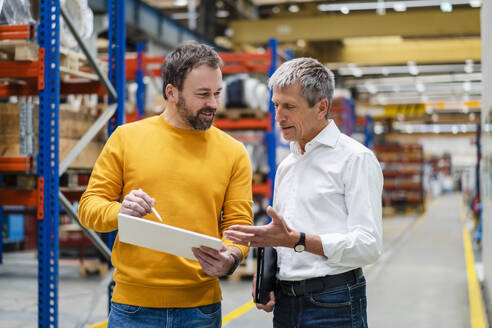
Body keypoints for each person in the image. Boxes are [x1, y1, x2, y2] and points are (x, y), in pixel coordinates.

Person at [78, 42, 254, 328]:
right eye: (202, 94)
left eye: (217, 93)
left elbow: (239, 223)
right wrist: (120, 211)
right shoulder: (127, 139)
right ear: (171, 93)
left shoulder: (233, 152)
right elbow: (89, 207)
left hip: (201, 309)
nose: (213, 103)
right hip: (133, 308)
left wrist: (232, 257)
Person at [224, 57, 383, 328]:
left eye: (289, 107)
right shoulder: (287, 165)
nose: (278, 116)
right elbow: (283, 234)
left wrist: (298, 240)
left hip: (334, 303)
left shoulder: (355, 159)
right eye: (276, 105)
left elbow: (368, 245)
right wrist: (267, 274)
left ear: (321, 107)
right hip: (287, 303)